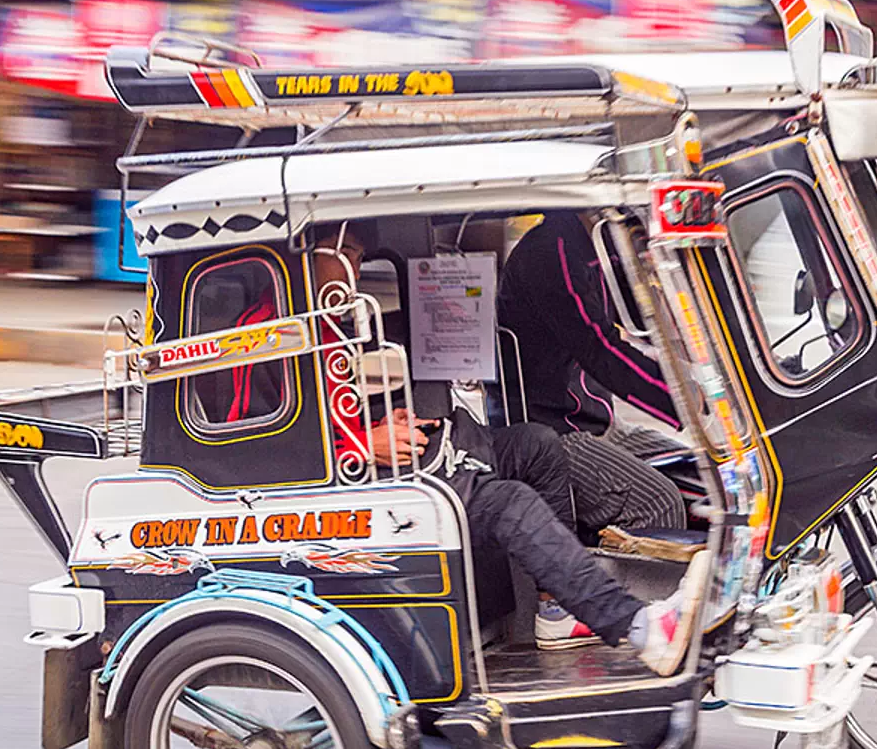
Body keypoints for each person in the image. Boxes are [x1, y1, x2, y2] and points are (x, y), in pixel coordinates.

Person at [218, 222, 708, 675]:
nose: (353, 270)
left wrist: (380, 425)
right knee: (508, 503)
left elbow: (328, 413)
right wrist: (366, 443)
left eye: (358, 255)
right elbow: (252, 443)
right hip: (349, 489)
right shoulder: (265, 334)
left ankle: (554, 606)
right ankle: (637, 626)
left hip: (383, 461)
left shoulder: (326, 322)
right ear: (303, 254)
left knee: (536, 445)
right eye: (344, 252)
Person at [496, 210, 688, 537]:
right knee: (659, 501)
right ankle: (638, 590)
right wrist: (684, 401)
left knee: (698, 474)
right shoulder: (550, 252)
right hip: (555, 431)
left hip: (599, 421)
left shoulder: (600, 243)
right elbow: (600, 348)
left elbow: (645, 317)